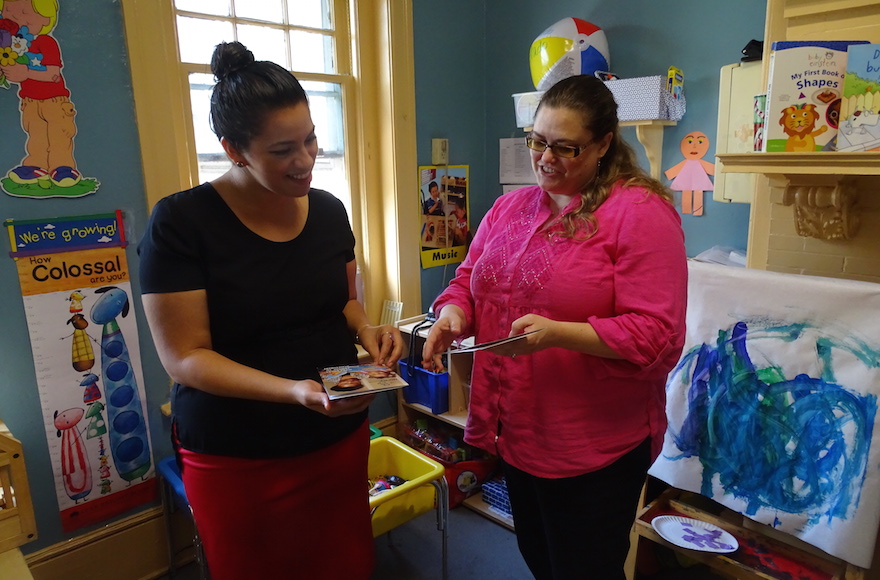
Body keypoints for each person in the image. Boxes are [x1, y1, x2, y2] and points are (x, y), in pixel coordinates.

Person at [137, 41, 403, 580]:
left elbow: (344, 302)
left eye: (310, 139)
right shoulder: (181, 223)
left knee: (343, 562)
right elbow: (185, 358)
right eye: (283, 150)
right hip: (238, 452)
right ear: (235, 149)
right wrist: (294, 392)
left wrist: (369, 328)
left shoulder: (328, 211)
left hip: (335, 435)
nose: (305, 160)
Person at [421, 74, 688, 579]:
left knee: (584, 569)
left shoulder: (641, 214)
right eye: (537, 142)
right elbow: (468, 281)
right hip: (517, 427)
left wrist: (559, 333)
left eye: (566, 148)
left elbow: (658, 336)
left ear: (604, 144)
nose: (545, 159)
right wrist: (454, 313)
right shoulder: (511, 208)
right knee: (541, 558)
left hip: (591, 444)